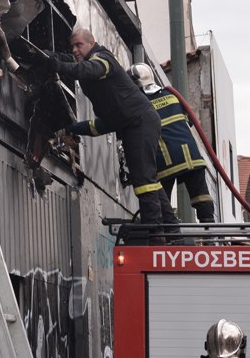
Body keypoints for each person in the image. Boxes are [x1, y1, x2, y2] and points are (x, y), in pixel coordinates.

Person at [35, 28, 178, 240]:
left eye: (79, 45)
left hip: (139, 122)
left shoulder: (103, 59)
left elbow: (87, 69)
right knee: (147, 178)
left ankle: (155, 235)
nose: (75, 49)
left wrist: (60, 67)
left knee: (143, 179)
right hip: (130, 123)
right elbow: (98, 126)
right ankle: (172, 230)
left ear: (92, 43)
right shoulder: (90, 64)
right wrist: (70, 129)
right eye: (72, 46)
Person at [128, 63, 215, 223]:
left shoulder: (140, 104)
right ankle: (209, 232)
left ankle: (169, 234)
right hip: (192, 156)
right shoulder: (172, 95)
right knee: (201, 196)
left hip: (165, 160)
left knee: (161, 202)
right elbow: (187, 122)